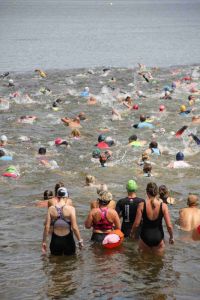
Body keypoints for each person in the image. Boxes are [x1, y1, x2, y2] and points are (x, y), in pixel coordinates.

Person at [131, 182, 174, 254]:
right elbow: (169, 226)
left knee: (143, 263)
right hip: (158, 238)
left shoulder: (141, 205)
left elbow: (136, 224)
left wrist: (132, 233)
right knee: (158, 263)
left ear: (147, 192)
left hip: (145, 237)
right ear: (157, 192)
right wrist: (171, 237)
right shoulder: (163, 206)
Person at [42, 187, 83, 255]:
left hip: (55, 241)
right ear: (66, 196)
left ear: (57, 197)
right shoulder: (71, 209)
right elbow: (74, 227)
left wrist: (44, 242)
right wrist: (80, 240)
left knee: (56, 263)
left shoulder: (51, 209)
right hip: (68, 240)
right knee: (71, 262)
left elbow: (47, 227)